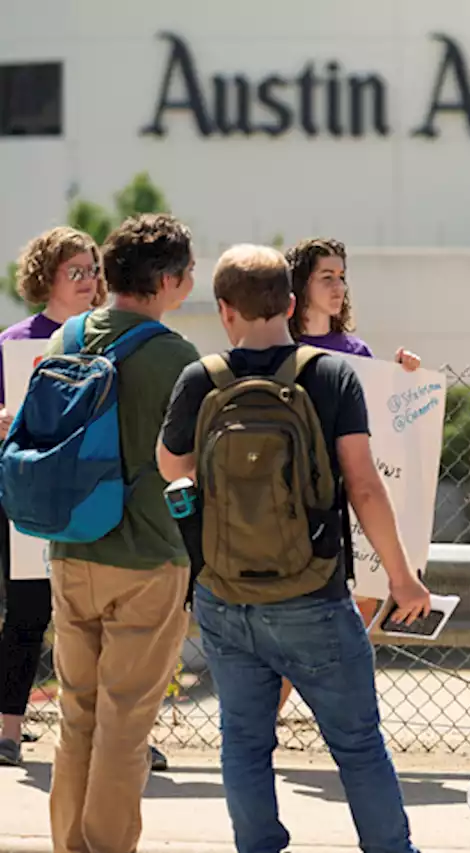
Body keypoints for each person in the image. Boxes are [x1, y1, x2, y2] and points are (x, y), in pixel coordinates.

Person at [157, 244, 432, 853]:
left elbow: (171, 466)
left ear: (224, 310)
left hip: (225, 595)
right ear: (288, 302)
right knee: (358, 743)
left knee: (245, 742)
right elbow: (362, 483)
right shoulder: (330, 375)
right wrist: (401, 576)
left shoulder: (200, 379)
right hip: (314, 591)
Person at [43, 214, 202, 853]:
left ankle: (67, 844)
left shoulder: (66, 340)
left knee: (75, 714)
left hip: (71, 547)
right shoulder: (177, 357)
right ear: (167, 280)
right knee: (126, 722)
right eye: (187, 272)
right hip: (148, 557)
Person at [274, 236, 421, 716]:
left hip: (345, 507)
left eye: (342, 277)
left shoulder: (355, 350)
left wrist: (403, 379)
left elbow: (377, 420)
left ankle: (340, 725)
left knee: (351, 618)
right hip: (288, 505)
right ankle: (264, 727)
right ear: (301, 284)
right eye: (326, 277)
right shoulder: (279, 348)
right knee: (288, 630)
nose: (338, 287)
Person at [0, 227, 106, 767]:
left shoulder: (108, 337)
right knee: (27, 613)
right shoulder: (17, 342)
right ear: (47, 277)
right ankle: (9, 732)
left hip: (95, 493)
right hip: (33, 495)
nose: (89, 281)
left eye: (93, 270)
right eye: (76, 271)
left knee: (100, 619)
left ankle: (114, 736)